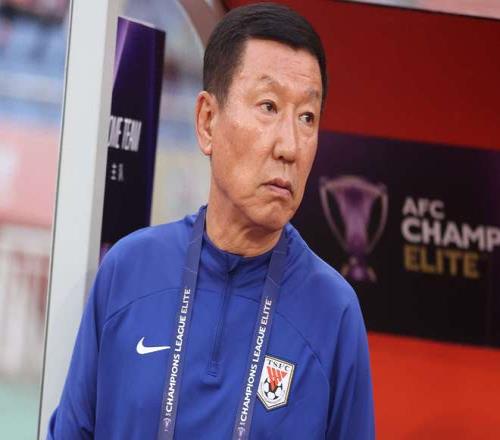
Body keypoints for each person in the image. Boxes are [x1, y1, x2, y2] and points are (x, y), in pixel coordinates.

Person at [48, 3, 374, 439]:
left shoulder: (333, 312)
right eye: (269, 106)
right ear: (207, 121)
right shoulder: (129, 270)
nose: (290, 146)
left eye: (307, 117)